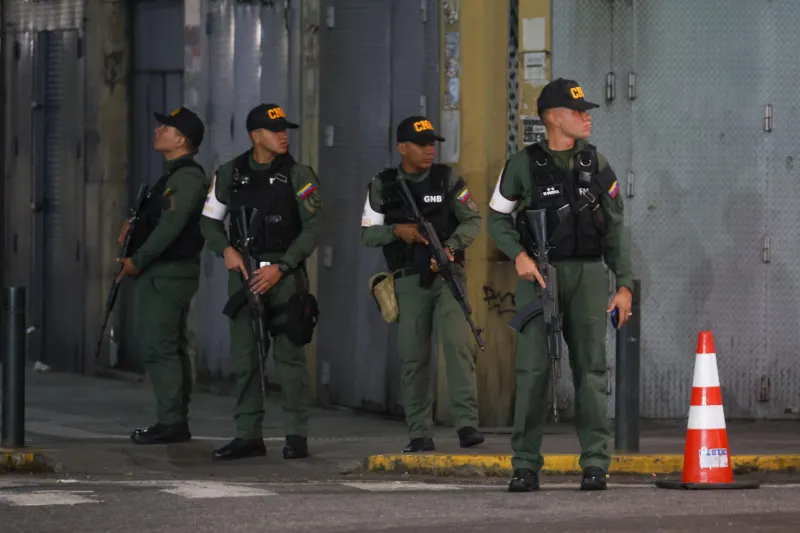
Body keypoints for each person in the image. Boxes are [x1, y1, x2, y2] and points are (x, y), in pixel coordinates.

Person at [486, 78, 634, 492]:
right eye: (577, 111)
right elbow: (497, 217)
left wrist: (624, 284)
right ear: (553, 117)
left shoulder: (596, 163)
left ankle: (595, 463)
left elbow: (615, 229)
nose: (587, 117)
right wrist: (518, 255)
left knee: (591, 371)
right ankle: (525, 465)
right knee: (532, 371)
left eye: (586, 111)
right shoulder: (523, 163)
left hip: (588, 274)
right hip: (539, 276)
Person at [200, 103, 321, 461]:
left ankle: (296, 435)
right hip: (244, 275)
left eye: (285, 130)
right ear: (256, 135)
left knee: (290, 358)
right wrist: (226, 251)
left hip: (284, 277)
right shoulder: (229, 173)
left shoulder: (298, 175)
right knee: (246, 358)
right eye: (275, 130)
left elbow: (313, 227)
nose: (283, 136)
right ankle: (248, 435)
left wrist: (282, 266)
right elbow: (209, 221)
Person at [360, 115, 485, 452]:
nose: (429, 150)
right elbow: (367, 234)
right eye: (421, 144)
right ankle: (419, 432)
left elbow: (472, 220)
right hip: (409, 281)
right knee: (413, 358)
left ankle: (467, 425)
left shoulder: (446, 179)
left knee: (458, 347)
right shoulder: (383, 184)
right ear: (402, 148)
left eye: (432, 144)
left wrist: (450, 247)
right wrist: (397, 232)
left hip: (447, 276)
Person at [118, 106, 209, 445]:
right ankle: (174, 419)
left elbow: (170, 228)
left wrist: (137, 260)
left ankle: (171, 422)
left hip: (168, 273)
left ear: (181, 139)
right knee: (168, 345)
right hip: (164, 272)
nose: (158, 131)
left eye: (166, 128)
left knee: (160, 346)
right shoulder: (172, 176)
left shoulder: (186, 178)